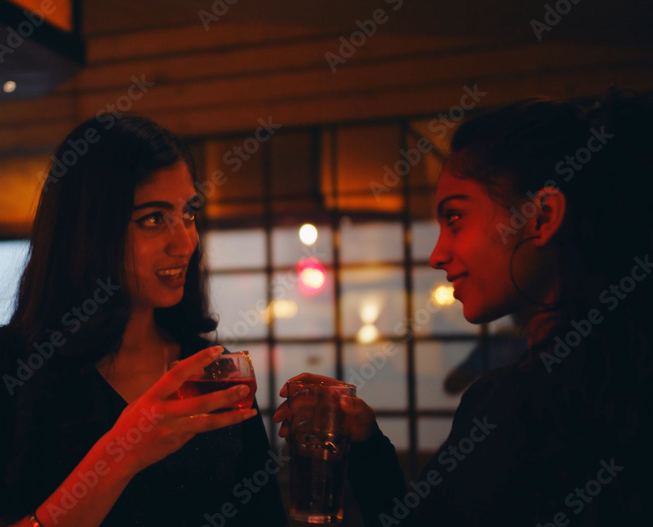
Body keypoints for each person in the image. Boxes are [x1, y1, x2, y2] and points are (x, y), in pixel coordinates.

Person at [275, 89, 653, 526]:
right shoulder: (620, 375)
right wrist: (366, 444)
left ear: (543, 216)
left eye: (454, 217)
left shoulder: (511, 405)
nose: (437, 254)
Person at [0, 115, 287, 527]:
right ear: (89, 230)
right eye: (153, 218)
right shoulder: (7, 365)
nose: (185, 242)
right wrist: (120, 454)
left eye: (188, 213)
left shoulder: (210, 370)